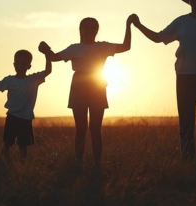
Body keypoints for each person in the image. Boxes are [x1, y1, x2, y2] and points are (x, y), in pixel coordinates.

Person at [133, 0, 196, 162]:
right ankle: (187, 161)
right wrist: (138, 25)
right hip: (184, 77)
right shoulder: (182, 22)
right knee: (186, 122)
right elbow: (158, 37)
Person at [41, 15, 136, 168]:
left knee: (95, 128)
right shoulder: (74, 48)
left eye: (93, 27)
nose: (90, 30)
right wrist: (46, 50)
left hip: (97, 85)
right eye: (86, 27)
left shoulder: (103, 46)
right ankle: (79, 163)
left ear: (97, 30)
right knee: (81, 128)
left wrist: (128, 25)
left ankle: (97, 164)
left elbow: (126, 46)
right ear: (81, 30)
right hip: (78, 85)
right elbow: (53, 57)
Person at [0, 45, 51, 163]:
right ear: (14, 64)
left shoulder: (33, 80)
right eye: (17, 63)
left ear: (29, 66)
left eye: (23, 64)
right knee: (7, 144)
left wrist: (47, 54)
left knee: (23, 146)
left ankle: (22, 165)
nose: (20, 66)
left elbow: (48, 71)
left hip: (26, 118)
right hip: (12, 117)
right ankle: (3, 163)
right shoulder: (10, 80)